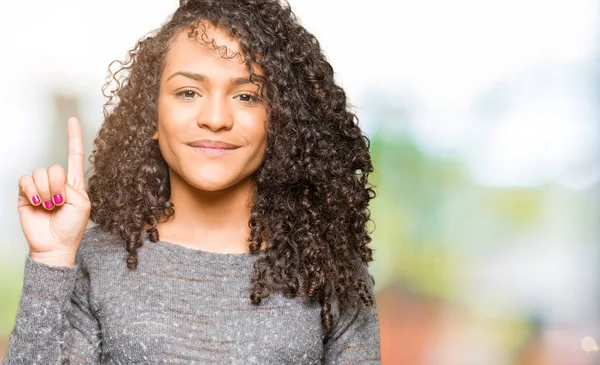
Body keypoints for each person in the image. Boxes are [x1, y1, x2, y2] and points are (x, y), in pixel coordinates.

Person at [4, 0, 381, 363]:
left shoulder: (328, 268)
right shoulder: (97, 259)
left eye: (247, 95)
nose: (215, 118)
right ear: (152, 116)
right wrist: (50, 261)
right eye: (188, 92)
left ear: (278, 119)